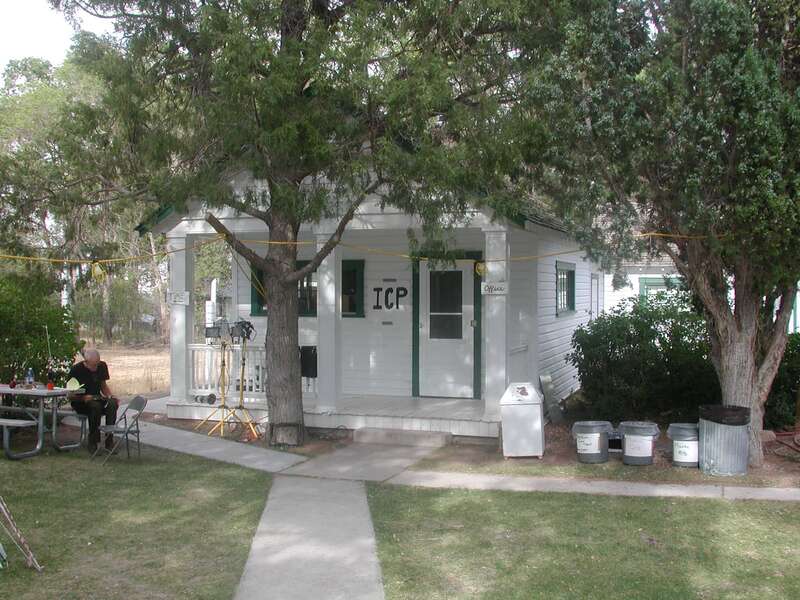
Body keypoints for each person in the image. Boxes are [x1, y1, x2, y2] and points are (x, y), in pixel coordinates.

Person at [68, 349, 118, 454]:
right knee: (95, 407)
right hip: (81, 401)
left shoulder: (102, 366)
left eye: (97, 364)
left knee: (112, 404)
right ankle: (93, 441)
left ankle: (109, 440)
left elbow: (103, 386)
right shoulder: (76, 370)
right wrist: (83, 398)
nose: (95, 368)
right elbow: (70, 395)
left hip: (97, 398)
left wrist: (110, 395)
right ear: (85, 362)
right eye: (93, 365)